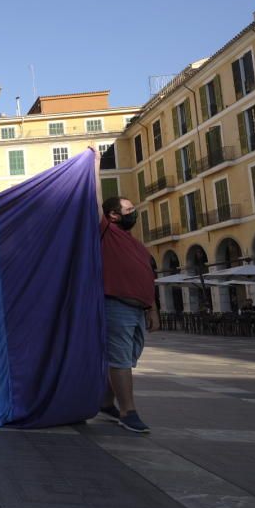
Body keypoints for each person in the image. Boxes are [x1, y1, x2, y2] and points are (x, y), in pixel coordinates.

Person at [94, 149, 159, 433]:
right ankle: (127, 411)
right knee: (121, 359)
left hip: (138, 309)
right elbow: (94, 202)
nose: (135, 213)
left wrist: (152, 308)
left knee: (127, 357)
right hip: (116, 305)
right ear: (113, 215)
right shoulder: (107, 232)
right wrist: (94, 167)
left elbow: (147, 276)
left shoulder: (136, 244)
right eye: (130, 210)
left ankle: (106, 402)